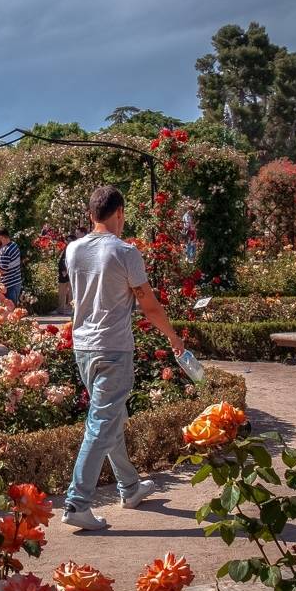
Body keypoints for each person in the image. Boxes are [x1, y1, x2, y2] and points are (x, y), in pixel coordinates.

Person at [61, 186, 187, 531]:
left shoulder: (72, 250)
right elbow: (148, 305)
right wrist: (173, 336)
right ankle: (77, 502)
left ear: (91, 215)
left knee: (111, 416)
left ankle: (129, 488)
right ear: (120, 213)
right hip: (113, 347)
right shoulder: (125, 251)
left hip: (83, 346)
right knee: (102, 422)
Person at [0, 229, 23, 305]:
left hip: (10, 285)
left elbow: (2, 271)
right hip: (16, 281)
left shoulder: (6, 250)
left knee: (10, 310)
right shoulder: (14, 245)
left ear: (1, 237)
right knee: (12, 309)